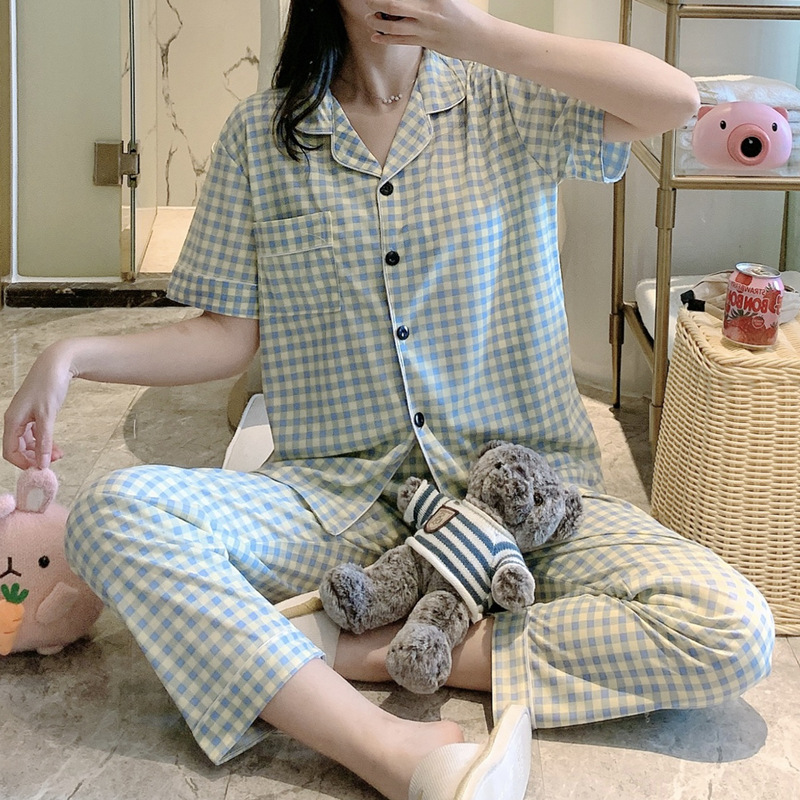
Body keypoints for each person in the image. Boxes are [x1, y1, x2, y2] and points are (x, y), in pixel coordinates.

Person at [3, 2, 775, 799]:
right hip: (340, 506)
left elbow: (673, 101)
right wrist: (71, 356)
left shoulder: (508, 97)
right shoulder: (263, 135)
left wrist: (475, 35)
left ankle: (344, 649)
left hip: (523, 503)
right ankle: (387, 747)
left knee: (729, 628)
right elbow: (228, 337)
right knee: (114, 515)